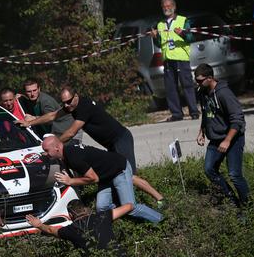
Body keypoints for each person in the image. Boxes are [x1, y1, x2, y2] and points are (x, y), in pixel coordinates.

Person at [17, 87, 166, 207]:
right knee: (114, 172)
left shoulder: (84, 107)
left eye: (69, 102)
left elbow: (70, 132)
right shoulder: (71, 107)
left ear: (76, 96)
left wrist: (54, 145)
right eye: (64, 103)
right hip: (111, 143)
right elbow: (52, 116)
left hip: (121, 139)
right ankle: (119, 204)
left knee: (128, 174)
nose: (67, 106)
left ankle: (160, 198)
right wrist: (30, 123)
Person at [40, 136, 163, 223]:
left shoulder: (73, 156)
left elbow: (93, 178)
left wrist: (70, 181)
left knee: (131, 207)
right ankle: (122, 211)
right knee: (101, 208)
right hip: (105, 176)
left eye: (46, 150)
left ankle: (161, 219)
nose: (46, 154)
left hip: (118, 169)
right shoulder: (65, 153)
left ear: (56, 148)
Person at [194, 64, 249, 207]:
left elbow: (238, 119)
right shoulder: (202, 91)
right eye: (196, 80)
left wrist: (227, 140)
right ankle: (231, 200)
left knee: (234, 175)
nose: (197, 83)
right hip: (216, 138)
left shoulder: (224, 93)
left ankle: (247, 205)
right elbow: (206, 113)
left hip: (233, 138)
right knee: (209, 169)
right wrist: (202, 131)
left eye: (200, 80)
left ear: (210, 78)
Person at [26, 199, 130, 257]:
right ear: (85, 209)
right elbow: (129, 206)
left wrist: (39, 224)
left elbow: (50, 230)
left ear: (70, 215)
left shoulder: (71, 230)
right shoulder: (103, 217)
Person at [150, 0, 199, 122]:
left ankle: (194, 111)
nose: (166, 9)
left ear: (174, 7)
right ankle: (177, 114)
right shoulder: (160, 24)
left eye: (169, 6)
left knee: (187, 85)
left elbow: (191, 38)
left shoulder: (183, 20)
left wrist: (182, 33)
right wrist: (155, 37)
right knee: (171, 88)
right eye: (164, 7)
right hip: (167, 59)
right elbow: (159, 43)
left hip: (181, 58)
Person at [22, 78, 83, 144]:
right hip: (61, 132)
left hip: (71, 131)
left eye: (34, 90)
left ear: (39, 89)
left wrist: (34, 118)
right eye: (29, 91)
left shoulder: (45, 101)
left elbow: (49, 120)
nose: (32, 94)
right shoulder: (33, 99)